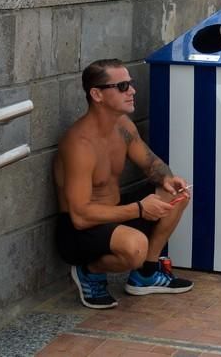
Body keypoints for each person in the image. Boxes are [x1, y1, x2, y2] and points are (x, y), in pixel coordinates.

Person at [54, 58, 194, 309]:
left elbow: (152, 164)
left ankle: (146, 274)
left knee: (176, 193)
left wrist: (168, 178)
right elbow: (80, 216)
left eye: (130, 84)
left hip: (115, 213)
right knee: (135, 248)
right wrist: (140, 209)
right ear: (97, 94)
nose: (132, 91)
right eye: (122, 86)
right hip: (81, 231)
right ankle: (89, 271)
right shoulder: (79, 144)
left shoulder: (123, 126)